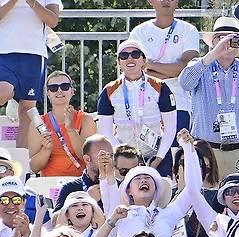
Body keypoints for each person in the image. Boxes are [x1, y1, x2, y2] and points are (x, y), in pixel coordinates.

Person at [102, 133, 199, 237]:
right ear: (129, 191)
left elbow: (192, 190)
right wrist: (107, 175)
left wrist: (189, 151)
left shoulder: (168, 213)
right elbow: (109, 200)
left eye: (148, 178)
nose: (143, 181)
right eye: (137, 179)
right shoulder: (121, 215)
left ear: (156, 189)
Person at [180, 17, 239, 179]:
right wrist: (214, 54)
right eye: (221, 37)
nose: (227, 43)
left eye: (233, 38)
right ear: (212, 42)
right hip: (206, 152)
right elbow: (185, 83)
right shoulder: (200, 65)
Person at [97, 39, 177, 176]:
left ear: (144, 60)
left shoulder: (160, 86)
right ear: (118, 63)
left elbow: (170, 128)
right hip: (124, 160)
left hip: (158, 155)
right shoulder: (109, 91)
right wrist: (125, 156)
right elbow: (106, 131)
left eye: (135, 54)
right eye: (124, 56)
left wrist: (158, 158)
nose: (130, 59)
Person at [129, 0, 200, 141]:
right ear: (150, 1)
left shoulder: (189, 30)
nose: (166, 1)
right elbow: (134, 70)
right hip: (145, 104)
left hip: (179, 103)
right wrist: (173, 70)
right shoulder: (139, 32)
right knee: (147, 154)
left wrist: (150, 64)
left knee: (177, 154)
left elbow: (187, 69)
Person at [0, 0, 61, 150]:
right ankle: (12, 97)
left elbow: (53, 21)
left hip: (34, 55)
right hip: (4, 52)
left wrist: (32, 3)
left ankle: (20, 163)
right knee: (3, 92)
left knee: (27, 109)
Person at [28, 70, 96, 176]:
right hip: (48, 185)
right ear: (48, 94)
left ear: (72, 91)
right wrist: (46, 150)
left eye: (64, 86)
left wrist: (71, 130)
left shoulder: (86, 119)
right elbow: (33, 167)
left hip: (79, 183)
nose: (59, 91)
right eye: (53, 88)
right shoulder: (39, 123)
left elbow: (88, 158)